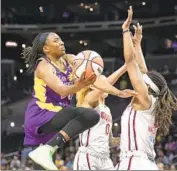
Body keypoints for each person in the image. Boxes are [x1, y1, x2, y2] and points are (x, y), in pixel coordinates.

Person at [22, 32, 136, 170]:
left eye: (61, 39)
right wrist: (79, 85)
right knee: (91, 115)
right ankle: (48, 148)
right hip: (41, 114)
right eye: (56, 41)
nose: (62, 42)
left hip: (57, 115)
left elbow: (96, 80)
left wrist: (117, 92)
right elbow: (61, 89)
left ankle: (47, 149)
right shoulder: (43, 66)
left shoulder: (70, 59)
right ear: (46, 49)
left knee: (41, 166)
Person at [116, 6, 177, 170]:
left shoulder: (144, 98)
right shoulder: (153, 100)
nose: (139, 81)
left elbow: (130, 62)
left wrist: (125, 31)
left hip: (134, 162)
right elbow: (143, 71)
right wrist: (137, 45)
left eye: (143, 82)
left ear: (147, 87)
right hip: (146, 164)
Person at [73, 64, 127, 170]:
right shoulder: (88, 100)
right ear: (93, 86)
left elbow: (110, 141)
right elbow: (105, 86)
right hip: (88, 157)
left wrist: (127, 139)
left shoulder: (107, 110)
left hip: (105, 159)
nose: (106, 86)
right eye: (102, 83)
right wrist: (125, 67)